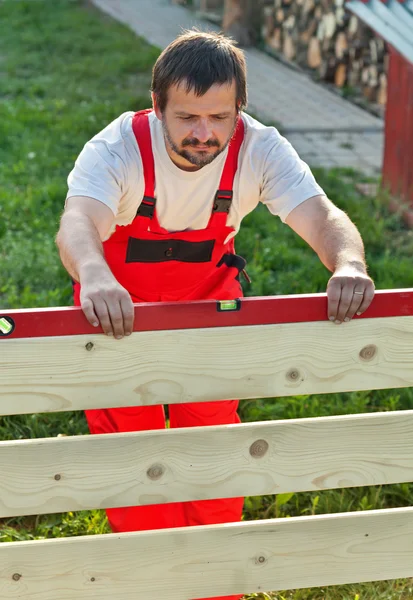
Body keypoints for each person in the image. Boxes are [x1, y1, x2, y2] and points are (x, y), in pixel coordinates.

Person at [55, 28, 375, 600]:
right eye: (187, 118)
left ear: (239, 110)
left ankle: (214, 587)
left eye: (220, 117)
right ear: (157, 109)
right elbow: (78, 224)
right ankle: (157, 584)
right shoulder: (116, 148)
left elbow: (323, 216)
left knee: (215, 448)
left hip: (206, 308)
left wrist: (348, 262)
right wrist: (96, 276)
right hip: (119, 312)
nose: (205, 134)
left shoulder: (261, 148)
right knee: (134, 450)